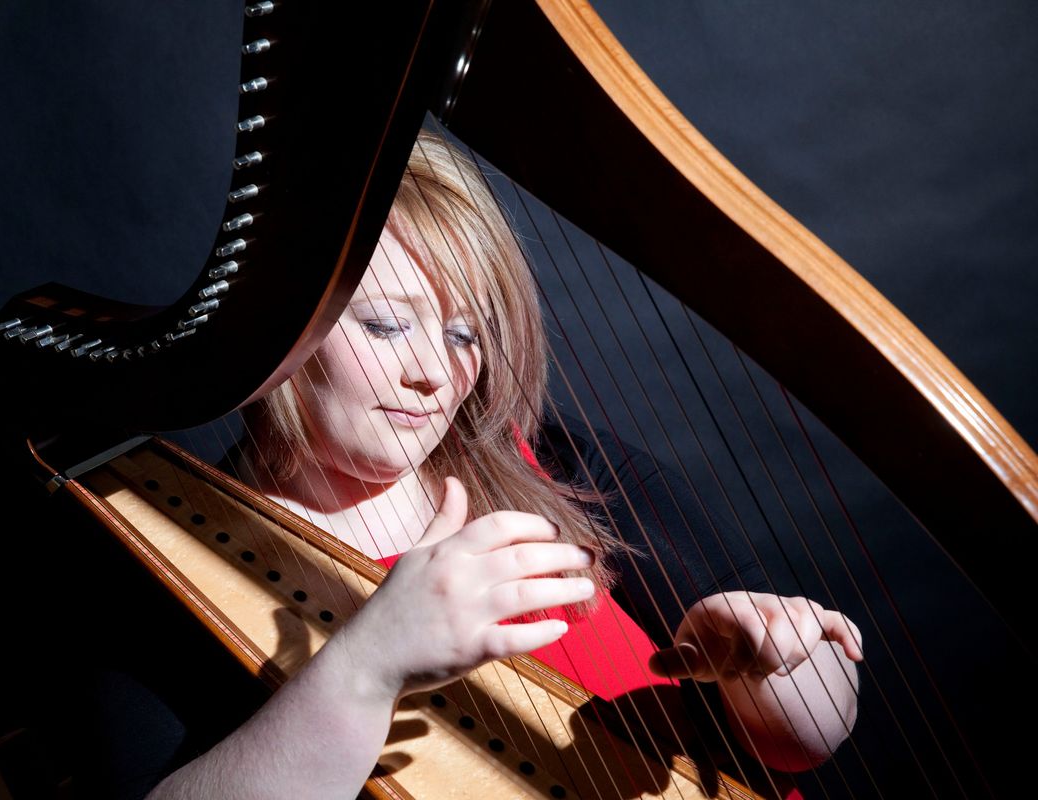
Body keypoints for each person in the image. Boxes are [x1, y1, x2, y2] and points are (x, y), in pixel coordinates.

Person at [145, 132, 862, 799]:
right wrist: (367, 668)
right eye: (388, 325)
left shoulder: (560, 461)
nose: (435, 371)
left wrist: (783, 672)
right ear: (281, 315)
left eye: (463, 333)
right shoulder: (171, 548)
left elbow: (805, 744)